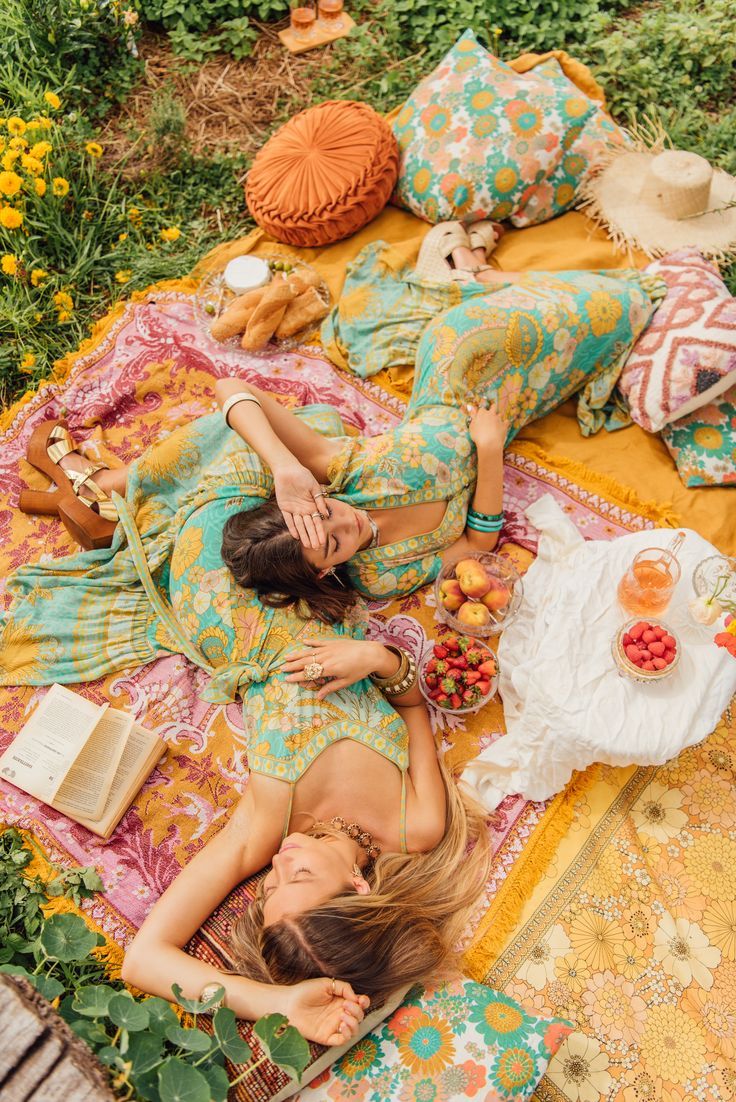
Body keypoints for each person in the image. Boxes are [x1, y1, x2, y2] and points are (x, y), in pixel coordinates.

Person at [121, 636, 490, 1035]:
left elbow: (142, 960)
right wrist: (376, 658)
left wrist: (279, 1004)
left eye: (269, 889)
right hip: (327, 600)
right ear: (357, 885)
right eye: (299, 876)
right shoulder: (418, 825)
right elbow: (412, 704)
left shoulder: (265, 829)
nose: (279, 861)